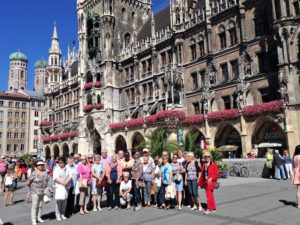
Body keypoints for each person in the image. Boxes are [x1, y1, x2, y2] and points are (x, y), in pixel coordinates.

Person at [53, 157, 71, 221]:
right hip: (58, 187)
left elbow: (70, 176)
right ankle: (58, 215)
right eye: (59, 162)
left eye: (61, 162)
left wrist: (65, 183)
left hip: (66, 187)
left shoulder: (67, 168)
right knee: (58, 201)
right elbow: (55, 178)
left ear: (64, 162)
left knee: (64, 201)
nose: (60, 163)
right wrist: (63, 183)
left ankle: (62, 214)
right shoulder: (56, 169)